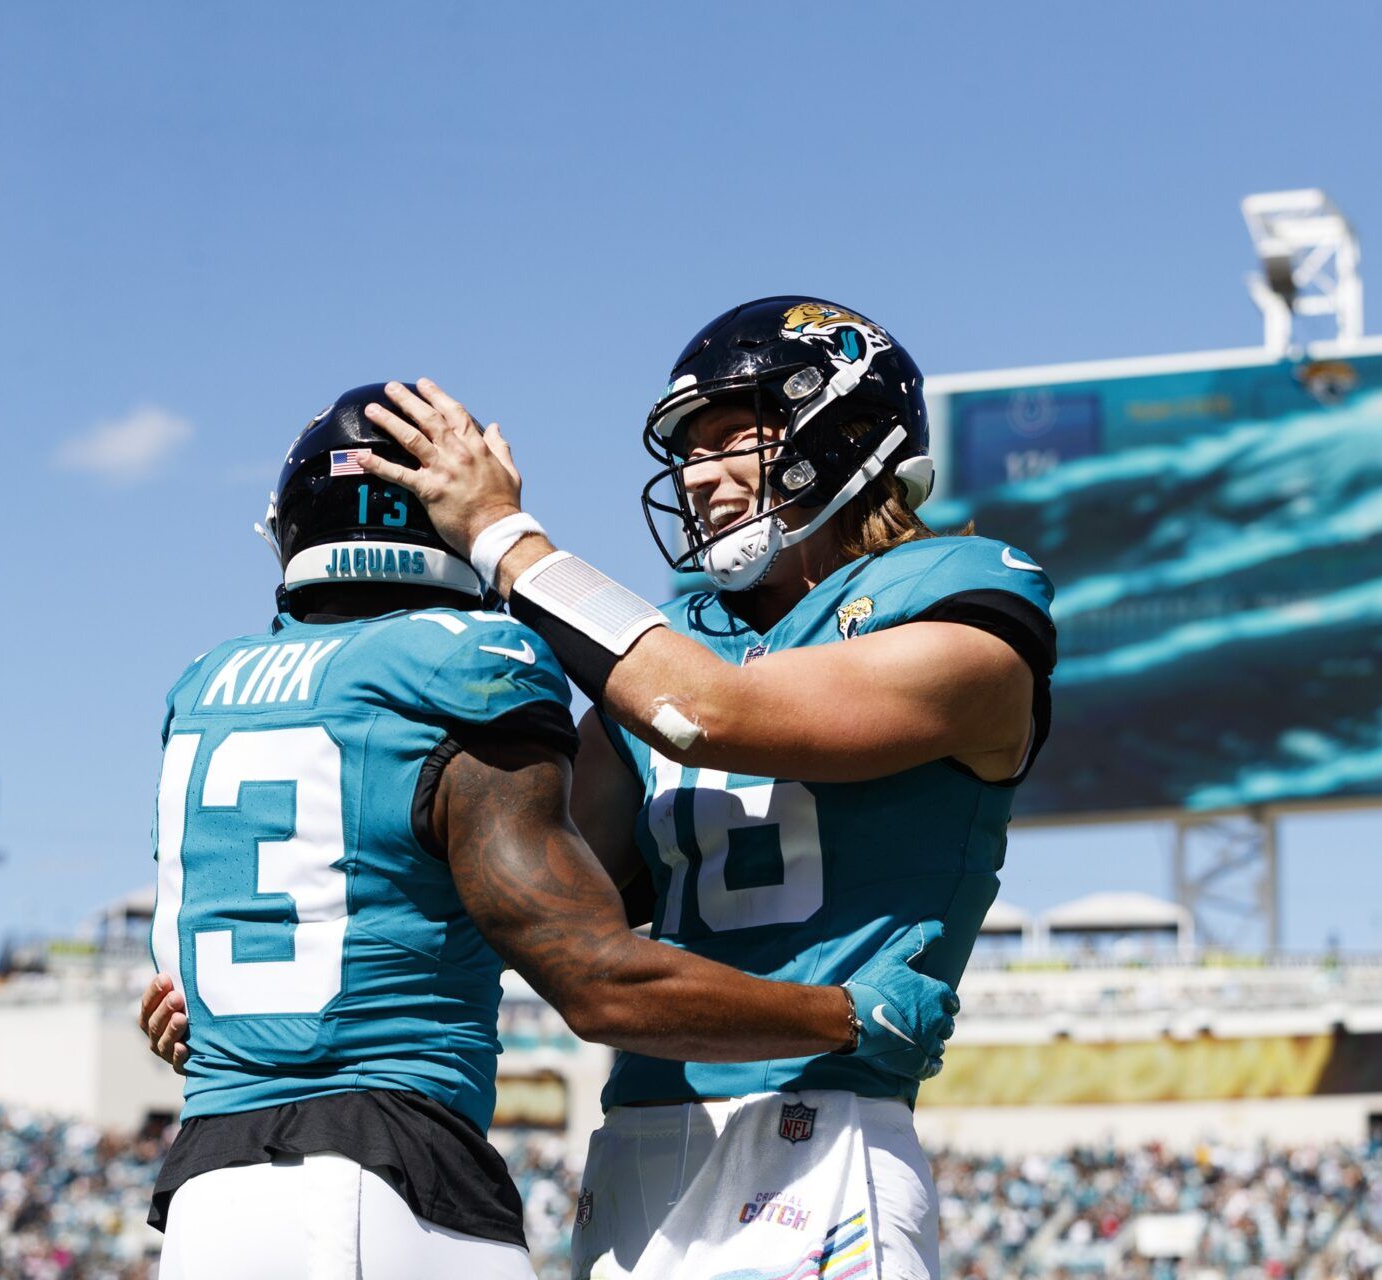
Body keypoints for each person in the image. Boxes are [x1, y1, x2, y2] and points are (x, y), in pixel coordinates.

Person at [141, 381, 960, 1280]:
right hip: (381, 1172)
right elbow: (599, 978)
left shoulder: (207, 685)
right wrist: (848, 1016)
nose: (699, 475)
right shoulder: (462, 665)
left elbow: (343, 907)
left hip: (208, 1182)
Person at [361, 297, 1057, 1280]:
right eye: (691, 448)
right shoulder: (680, 636)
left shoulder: (961, 604)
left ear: (848, 428)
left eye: (739, 435)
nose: (703, 473)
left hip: (821, 1127)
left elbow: (706, 712)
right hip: (640, 1137)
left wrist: (505, 538)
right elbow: (515, 884)